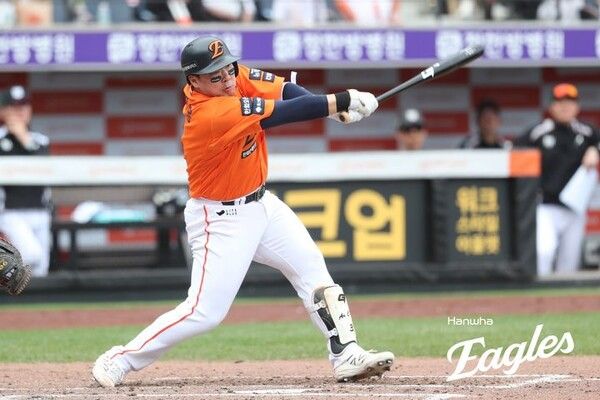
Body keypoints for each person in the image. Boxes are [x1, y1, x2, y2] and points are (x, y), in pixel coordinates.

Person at [92, 36, 394, 387]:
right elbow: (284, 113)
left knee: (313, 270)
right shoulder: (209, 114)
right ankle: (120, 359)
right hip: (220, 218)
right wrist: (341, 100)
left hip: (262, 203)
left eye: (228, 69)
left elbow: (287, 92)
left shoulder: (232, 77)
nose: (227, 79)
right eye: (215, 76)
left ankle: (346, 354)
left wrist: (330, 108)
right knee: (204, 312)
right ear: (194, 81)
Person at [513, 83, 600, 276]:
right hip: (546, 206)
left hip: (575, 208)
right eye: (560, 102)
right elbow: (515, 149)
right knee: (544, 252)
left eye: (570, 102)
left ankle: (563, 296)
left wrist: (595, 150)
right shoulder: (540, 131)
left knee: (569, 263)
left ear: (577, 107)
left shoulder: (587, 132)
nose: (565, 106)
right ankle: (537, 294)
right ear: (552, 106)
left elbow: (598, 142)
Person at [0, 85, 52, 278]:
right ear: (3, 111)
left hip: (40, 210)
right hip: (10, 212)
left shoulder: (40, 140)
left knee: (41, 270)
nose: (20, 111)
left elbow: (43, 168)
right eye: (14, 107)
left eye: (24, 106)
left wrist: (24, 139)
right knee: (32, 255)